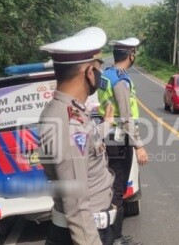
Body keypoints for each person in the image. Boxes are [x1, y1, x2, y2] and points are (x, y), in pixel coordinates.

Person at [38, 27, 117, 245]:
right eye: (99, 68)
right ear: (90, 72)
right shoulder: (68, 121)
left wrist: (107, 124)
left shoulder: (70, 112)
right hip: (83, 235)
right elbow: (76, 204)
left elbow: (85, 145)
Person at [97, 37, 148, 245]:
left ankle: (114, 236)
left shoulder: (107, 74)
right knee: (117, 192)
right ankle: (114, 240)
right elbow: (126, 117)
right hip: (119, 141)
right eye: (134, 53)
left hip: (108, 137)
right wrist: (139, 146)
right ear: (131, 55)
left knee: (111, 190)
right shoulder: (121, 80)